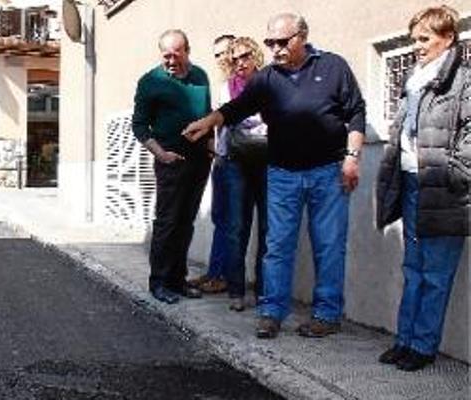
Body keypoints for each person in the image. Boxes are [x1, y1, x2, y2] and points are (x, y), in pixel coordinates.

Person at [183, 12, 366, 338]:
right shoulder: (266, 78)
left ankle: (326, 315)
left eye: (283, 41)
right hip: (282, 174)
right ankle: (272, 311)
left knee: (329, 246)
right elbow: (237, 107)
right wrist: (209, 123)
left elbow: (355, 112)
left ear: (303, 36)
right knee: (277, 246)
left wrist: (352, 157)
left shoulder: (333, 66)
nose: (276, 48)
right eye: (270, 42)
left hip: (328, 172)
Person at [375, 5, 469, 372]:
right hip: (412, 182)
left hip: (444, 189)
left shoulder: (463, 80)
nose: (417, 45)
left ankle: (424, 346)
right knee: (413, 267)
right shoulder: (413, 79)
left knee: (436, 273)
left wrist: (453, 173)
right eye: (415, 38)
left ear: (447, 38)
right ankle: (405, 340)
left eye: (424, 38)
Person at [132, 29, 213, 304]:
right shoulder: (150, 81)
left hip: (200, 160)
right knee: (167, 222)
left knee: (186, 222)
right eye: (165, 55)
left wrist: (211, 146)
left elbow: (207, 114)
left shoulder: (200, 76)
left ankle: (178, 280)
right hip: (170, 161)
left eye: (176, 54)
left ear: (187, 51)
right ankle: (159, 282)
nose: (170, 60)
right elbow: (139, 125)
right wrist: (161, 154)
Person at [220, 37, 269, 312]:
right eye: (234, 58)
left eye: (245, 56)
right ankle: (236, 291)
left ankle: (263, 291)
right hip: (236, 163)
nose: (241, 62)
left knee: (267, 229)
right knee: (236, 228)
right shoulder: (225, 89)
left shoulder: (270, 84)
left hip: (268, 162)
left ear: (256, 56)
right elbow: (222, 125)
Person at [188, 34, 235, 295]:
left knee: (231, 221)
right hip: (222, 157)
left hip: (238, 160)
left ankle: (224, 276)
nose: (222, 58)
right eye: (216, 54)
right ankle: (215, 272)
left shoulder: (241, 83)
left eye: (226, 52)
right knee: (220, 217)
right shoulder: (222, 85)